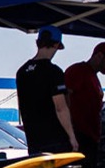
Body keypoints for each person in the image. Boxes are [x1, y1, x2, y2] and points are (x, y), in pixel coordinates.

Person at [15, 26, 79, 156]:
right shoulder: (53, 71)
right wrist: (72, 136)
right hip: (55, 139)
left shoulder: (22, 71)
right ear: (56, 45)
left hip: (34, 140)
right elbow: (60, 108)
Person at [64, 42, 105, 168]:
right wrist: (71, 131)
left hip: (93, 138)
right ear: (100, 56)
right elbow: (65, 97)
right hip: (80, 136)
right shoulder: (78, 71)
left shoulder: (93, 77)